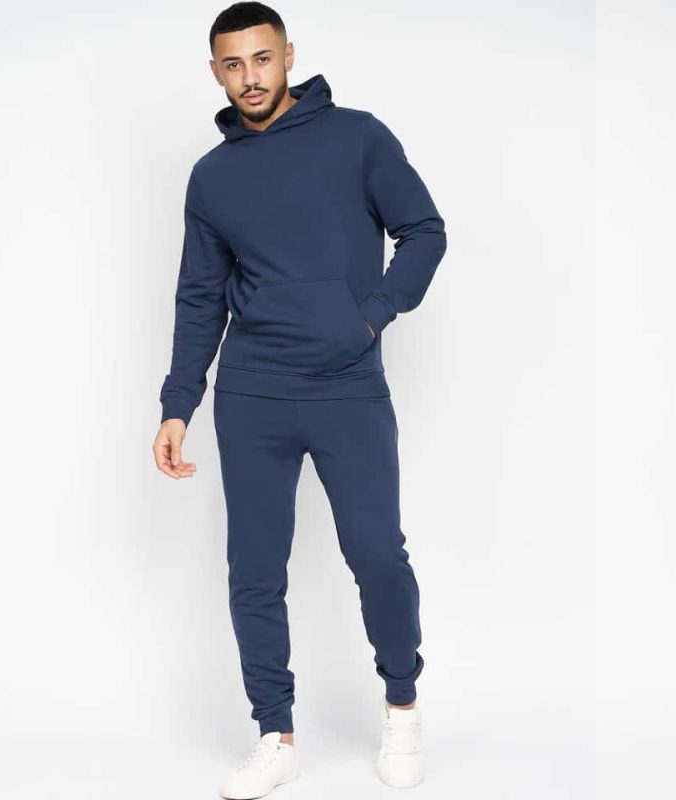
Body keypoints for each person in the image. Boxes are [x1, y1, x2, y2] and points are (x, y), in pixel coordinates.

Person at [153, 3, 447, 796]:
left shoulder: (358, 138)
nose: (250, 78)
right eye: (233, 65)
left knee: (377, 554)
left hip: (347, 385)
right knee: (254, 569)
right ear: (216, 72)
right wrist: (178, 404)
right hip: (252, 393)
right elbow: (199, 298)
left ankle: (402, 705)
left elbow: (424, 230)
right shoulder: (212, 176)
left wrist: (370, 316)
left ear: (288, 55)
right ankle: (274, 733)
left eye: (262, 59)